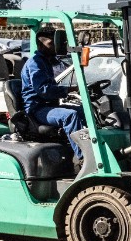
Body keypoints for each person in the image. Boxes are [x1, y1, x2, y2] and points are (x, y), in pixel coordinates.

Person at [20, 30, 85, 162]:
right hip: (37, 109)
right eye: (51, 43)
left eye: (56, 43)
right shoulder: (35, 63)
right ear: (41, 45)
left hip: (49, 106)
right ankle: (83, 158)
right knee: (70, 116)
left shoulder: (47, 61)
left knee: (84, 111)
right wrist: (69, 90)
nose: (55, 46)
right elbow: (43, 90)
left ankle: (91, 148)